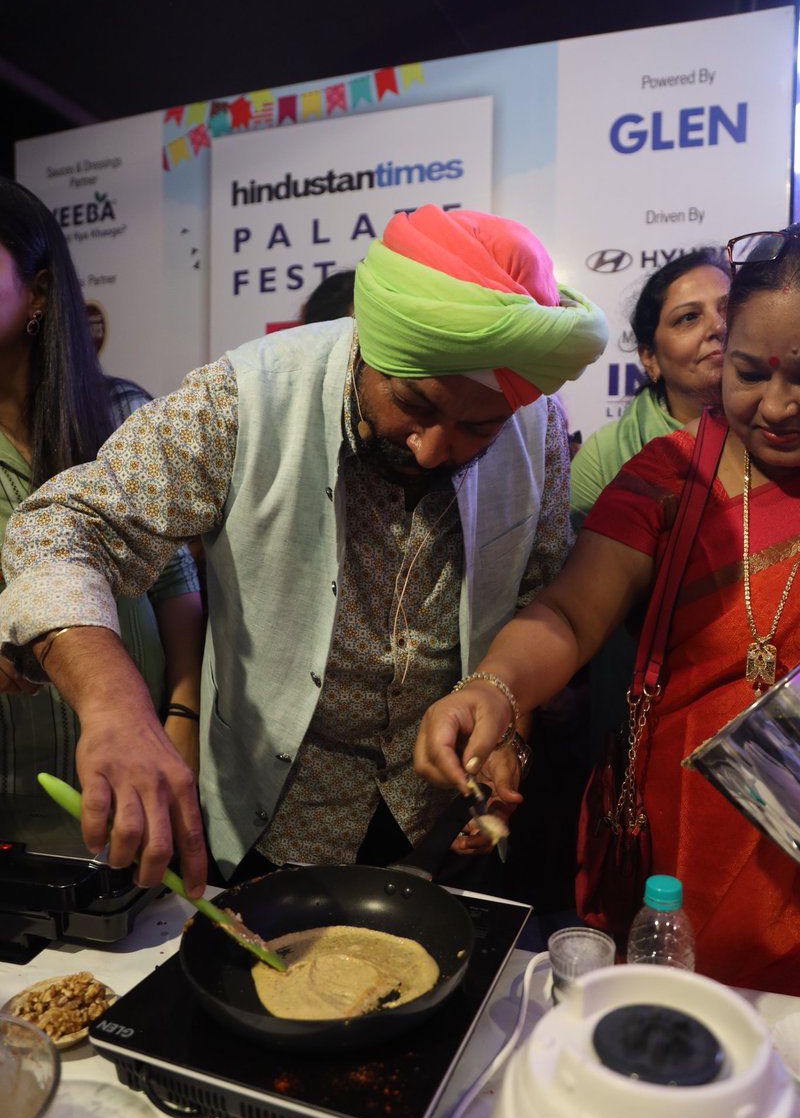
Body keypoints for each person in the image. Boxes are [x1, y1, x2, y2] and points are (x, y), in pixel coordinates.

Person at [0, 204, 607, 896]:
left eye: (478, 428)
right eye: (414, 404)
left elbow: (535, 597)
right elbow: (59, 525)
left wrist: (508, 735)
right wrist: (114, 705)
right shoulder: (242, 399)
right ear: (369, 346)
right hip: (272, 822)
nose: (435, 449)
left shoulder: (538, 429)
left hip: (439, 820)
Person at [414, 224, 800, 993]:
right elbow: (571, 612)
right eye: (751, 373)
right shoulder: (668, 475)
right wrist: (493, 686)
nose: (778, 406)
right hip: (683, 825)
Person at [0, 176, 204, 788]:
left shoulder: (119, 412)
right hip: (17, 782)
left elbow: (175, 580)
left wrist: (184, 715)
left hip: (144, 759)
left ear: (38, 292)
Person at [570, 250, 731, 757]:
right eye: (689, 317)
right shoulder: (608, 456)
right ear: (650, 358)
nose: (717, 327)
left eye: (730, 309)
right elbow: (574, 600)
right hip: (641, 710)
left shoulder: (781, 440)